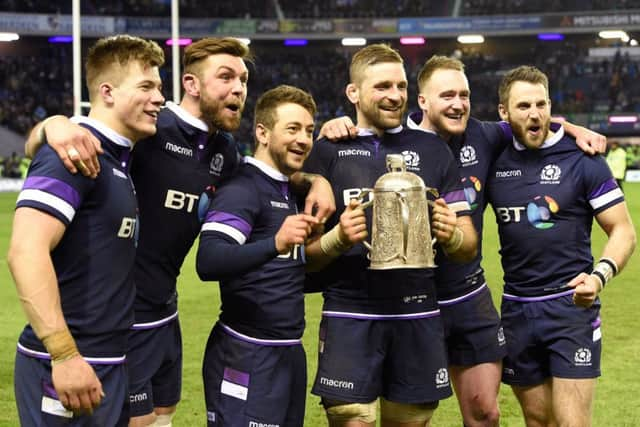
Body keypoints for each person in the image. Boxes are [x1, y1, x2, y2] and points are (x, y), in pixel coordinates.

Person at [24, 37, 335, 427]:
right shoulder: (150, 129)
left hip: (165, 314)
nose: (239, 88)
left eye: (242, 79)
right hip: (121, 321)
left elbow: (263, 173)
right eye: (225, 77)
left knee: (161, 419)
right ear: (191, 84)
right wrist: (52, 125)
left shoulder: (224, 151)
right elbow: (71, 139)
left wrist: (313, 179)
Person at [320, 54, 608, 427]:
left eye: (465, 95)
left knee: (485, 412)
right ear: (422, 101)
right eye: (447, 95)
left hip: (468, 296)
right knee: (404, 411)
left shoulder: (484, 134)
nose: (458, 104)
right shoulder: (393, 140)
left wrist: (572, 128)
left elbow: (531, 119)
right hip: (414, 302)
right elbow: (353, 146)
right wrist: (335, 125)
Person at [303, 43, 478, 427]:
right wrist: (338, 239)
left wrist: (451, 236)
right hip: (350, 312)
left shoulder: (433, 150)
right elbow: (302, 258)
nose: (394, 96)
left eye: (400, 86)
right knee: (353, 421)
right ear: (354, 93)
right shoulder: (327, 153)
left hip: (416, 312)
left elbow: (468, 244)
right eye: (382, 86)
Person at [7, 35, 165, 426]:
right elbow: (25, 251)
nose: (160, 98)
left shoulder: (114, 157)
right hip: (67, 364)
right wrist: (63, 354)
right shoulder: (73, 156)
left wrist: (50, 124)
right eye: (146, 87)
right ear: (107, 92)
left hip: (107, 359)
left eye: (159, 88)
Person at [195, 84, 364, 427]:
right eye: (292, 129)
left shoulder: (287, 191)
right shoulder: (242, 189)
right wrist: (276, 243)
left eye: (309, 130)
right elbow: (209, 260)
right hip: (246, 353)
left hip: (288, 351)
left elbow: (289, 275)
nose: (303, 139)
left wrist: (339, 240)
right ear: (262, 132)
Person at [487, 65, 636, 427]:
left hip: (570, 308)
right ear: (504, 113)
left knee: (571, 423)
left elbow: (623, 231)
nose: (535, 114)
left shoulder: (583, 160)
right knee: (538, 421)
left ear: (552, 105)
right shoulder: (492, 154)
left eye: (542, 104)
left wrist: (599, 277)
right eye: (523, 106)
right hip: (517, 310)